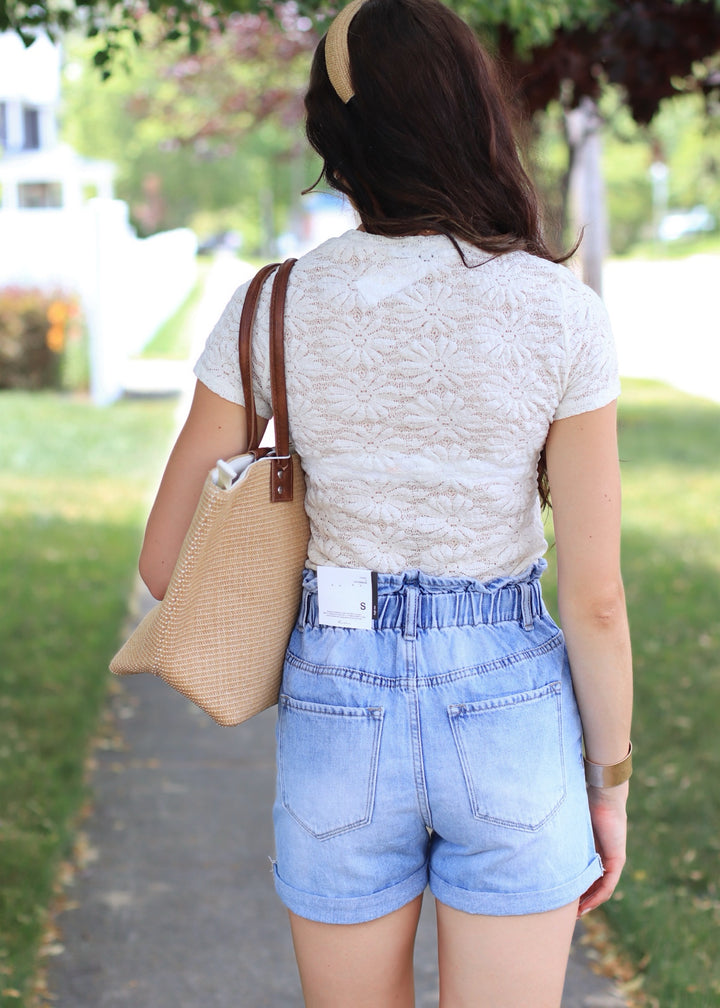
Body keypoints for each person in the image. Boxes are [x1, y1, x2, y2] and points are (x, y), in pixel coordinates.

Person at [139, 0, 633, 1004]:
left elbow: (165, 565)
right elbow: (595, 597)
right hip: (510, 707)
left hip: (340, 703)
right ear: (473, 115)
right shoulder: (561, 313)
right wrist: (609, 787)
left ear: (333, 137)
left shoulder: (271, 306)